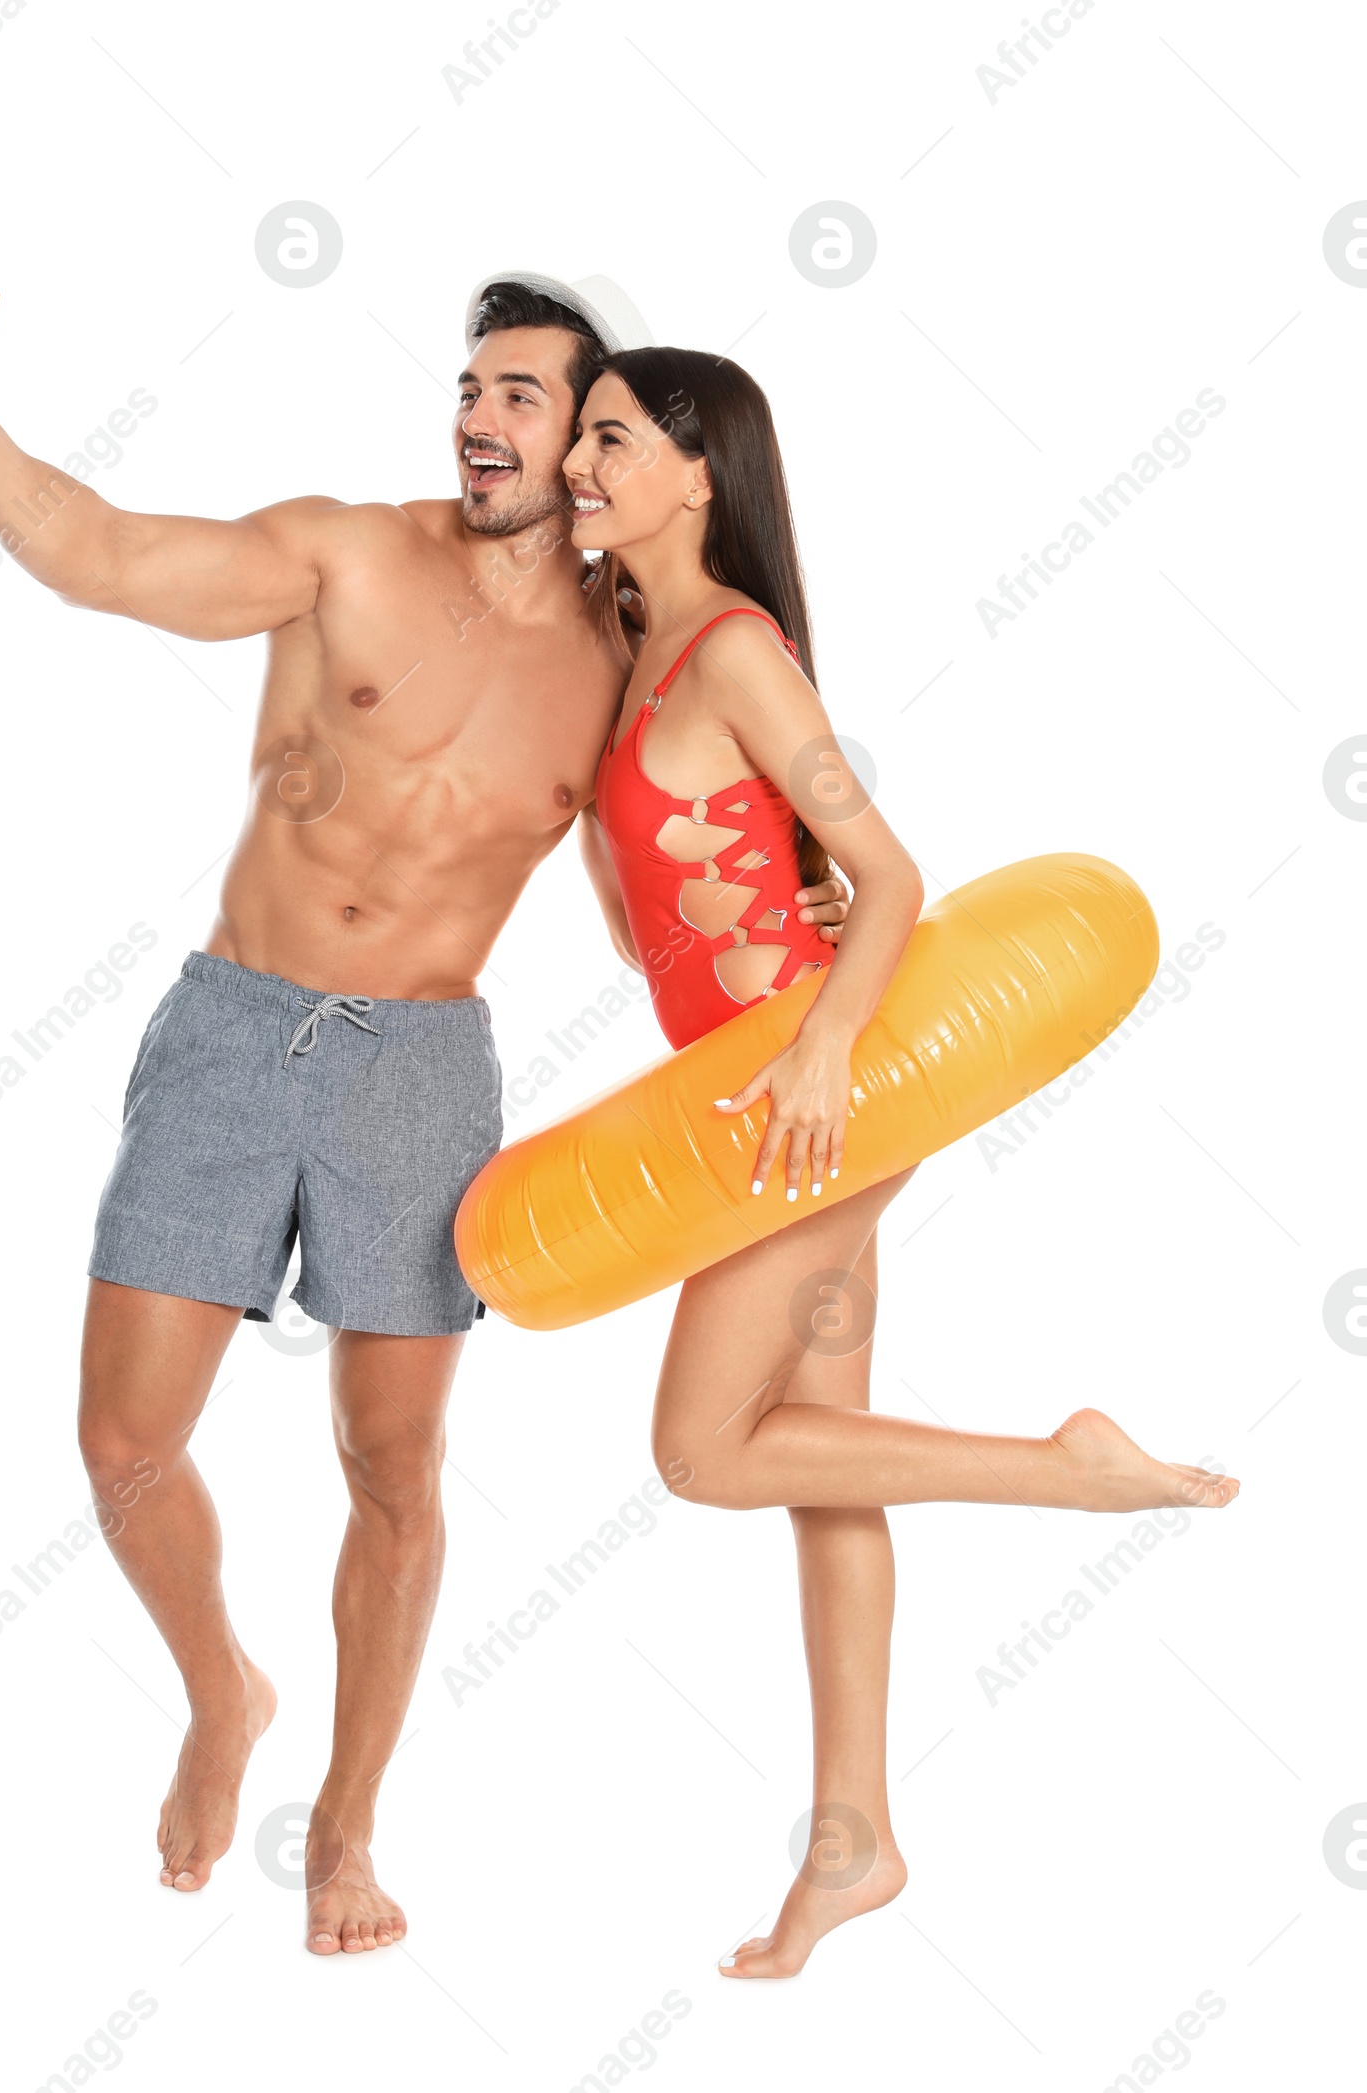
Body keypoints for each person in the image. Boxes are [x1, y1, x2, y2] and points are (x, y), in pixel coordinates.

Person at [0, 270, 852, 1954]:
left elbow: (653, 890)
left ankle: (346, 1830)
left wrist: (806, 941)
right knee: (124, 1444)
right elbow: (106, 552)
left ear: (594, 441)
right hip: (235, 1028)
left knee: (392, 1466)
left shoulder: (631, 661)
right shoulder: (344, 552)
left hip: (422, 1069)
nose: (479, 416)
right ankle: (221, 1690)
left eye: (526, 398)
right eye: (469, 387)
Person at [565, 349, 1241, 1980]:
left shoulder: (732, 652)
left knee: (703, 1450)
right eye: (576, 434)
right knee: (819, 1457)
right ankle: (853, 1843)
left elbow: (886, 867)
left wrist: (816, 1046)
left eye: (608, 437)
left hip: (812, 1099)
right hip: (737, 1095)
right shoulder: (630, 646)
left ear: (696, 472)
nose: (581, 461)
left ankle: (1068, 1467)